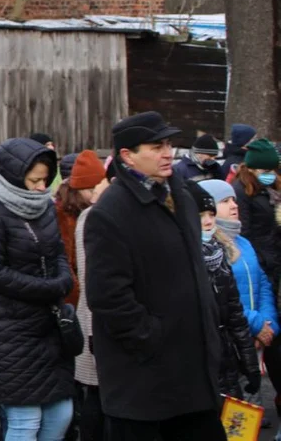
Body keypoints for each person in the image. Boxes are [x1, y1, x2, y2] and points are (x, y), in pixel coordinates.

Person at [84, 112, 224, 440]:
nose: (167, 153)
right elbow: (108, 297)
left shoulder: (182, 197)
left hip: (193, 372)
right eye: (155, 146)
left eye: (169, 144)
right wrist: (151, 337)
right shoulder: (110, 213)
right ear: (127, 155)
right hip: (146, 382)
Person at [0, 138, 74, 440]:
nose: (42, 187)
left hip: (48, 328)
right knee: (25, 420)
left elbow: (57, 252)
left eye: (46, 179)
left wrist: (63, 280)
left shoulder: (43, 209)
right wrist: (48, 288)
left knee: (61, 412)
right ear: (14, 177)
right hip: (9, 332)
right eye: (34, 180)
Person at [193, 183, 259, 399]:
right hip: (200, 360)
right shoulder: (181, 258)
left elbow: (235, 314)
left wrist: (250, 365)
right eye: (201, 215)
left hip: (226, 354)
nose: (208, 221)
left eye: (211, 214)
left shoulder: (221, 254)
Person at [72, 160, 111, 441]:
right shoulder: (93, 217)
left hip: (93, 317)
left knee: (100, 396)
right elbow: (91, 275)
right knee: (99, 397)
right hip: (95, 320)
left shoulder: (94, 214)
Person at [54, 150, 107, 307]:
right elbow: (65, 263)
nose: (95, 195)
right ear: (77, 189)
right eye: (90, 190)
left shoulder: (103, 209)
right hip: (79, 298)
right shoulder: (63, 215)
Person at [233, 138, 281, 281]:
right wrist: (261, 259)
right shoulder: (241, 191)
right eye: (266, 170)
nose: (271, 174)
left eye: (273, 169)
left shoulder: (272, 188)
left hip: (274, 257)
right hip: (261, 261)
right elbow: (244, 231)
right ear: (251, 169)